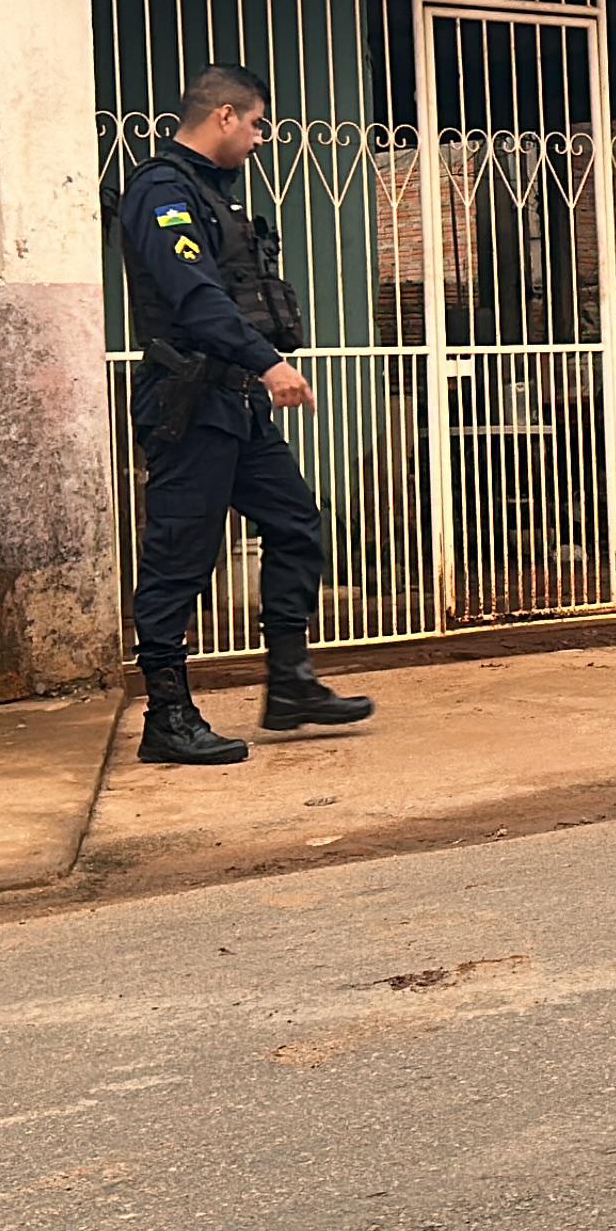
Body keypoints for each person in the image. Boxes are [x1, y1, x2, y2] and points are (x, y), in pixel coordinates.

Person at [116, 65, 374, 766]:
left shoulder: (212, 197)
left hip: (237, 403)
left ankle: (290, 682)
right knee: (180, 559)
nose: (261, 138)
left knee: (296, 521)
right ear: (225, 115)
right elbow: (195, 297)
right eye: (257, 123)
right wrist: (268, 361)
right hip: (192, 403)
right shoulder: (162, 191)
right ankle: (167, 717)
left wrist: (254, 371)